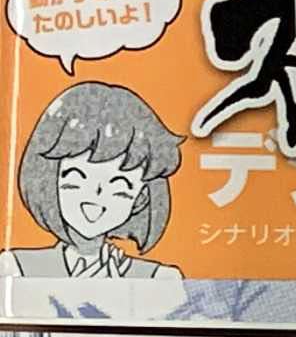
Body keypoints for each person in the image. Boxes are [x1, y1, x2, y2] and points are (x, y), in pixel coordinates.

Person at [8, 80, 193, 312]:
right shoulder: (16, 268)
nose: (95, 195)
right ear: (49, 178)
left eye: (120, 186)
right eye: (76, 178)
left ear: (141, 198)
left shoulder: (159, 280)